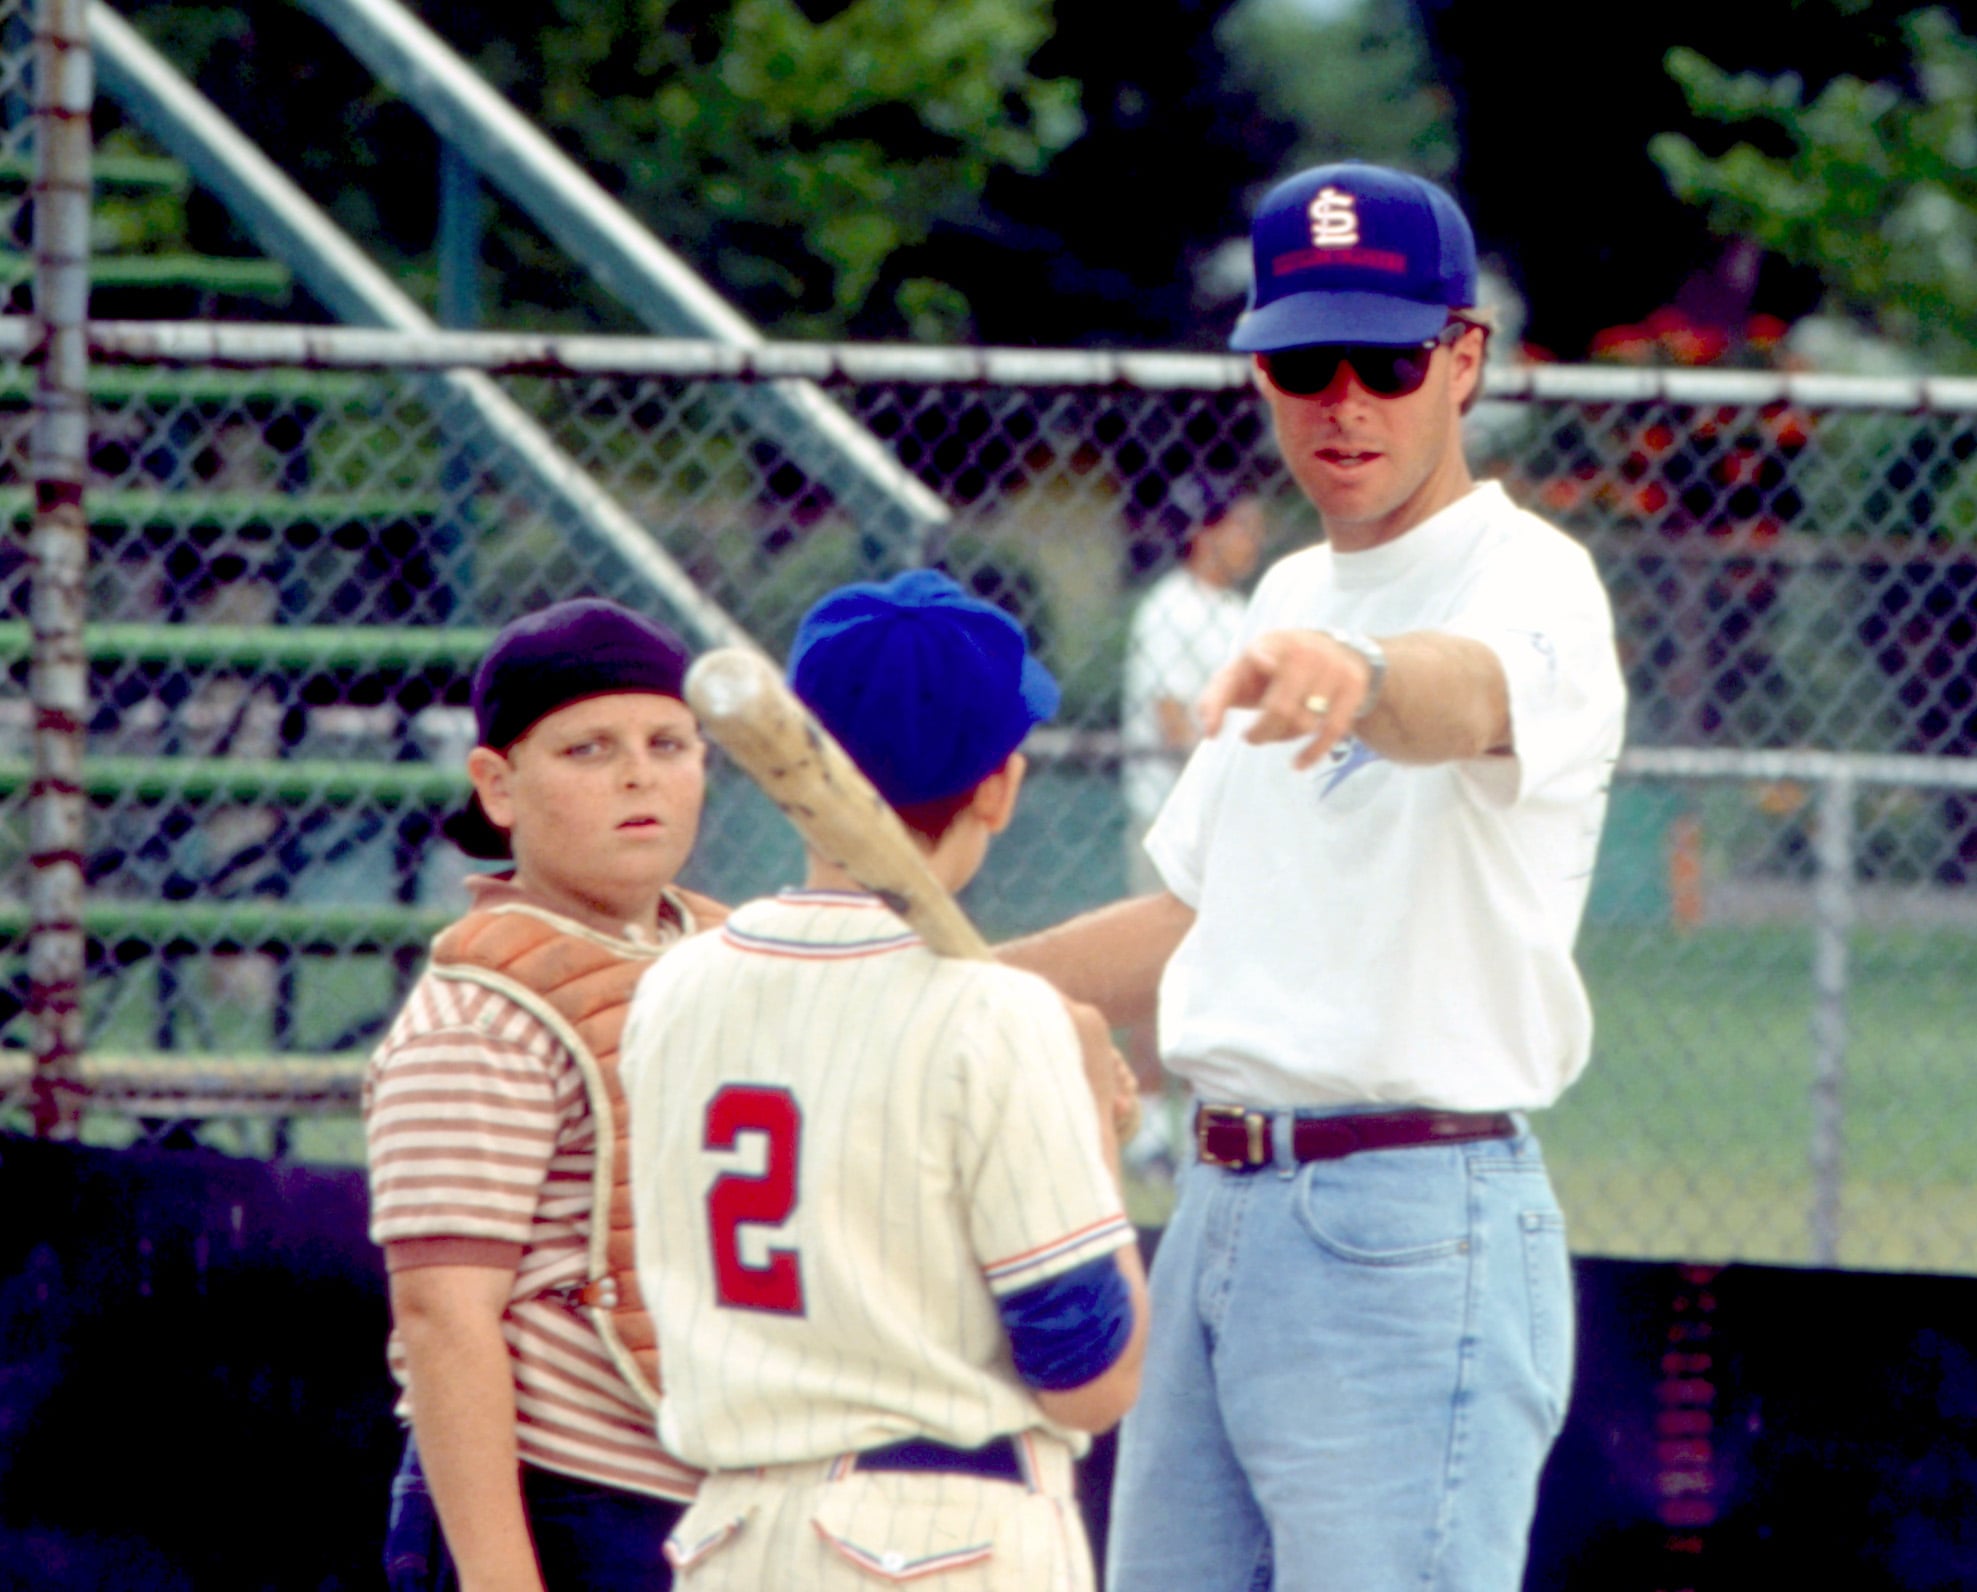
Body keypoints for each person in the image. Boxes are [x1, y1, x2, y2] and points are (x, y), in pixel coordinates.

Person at [1002, 161, 1628, 1592]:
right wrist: (948, 984)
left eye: (1389, 358)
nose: (1343, 398)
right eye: (1302, 359)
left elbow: (1460, 700)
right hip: (1221, 1204)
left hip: (1409, 1222)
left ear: (1464, 359)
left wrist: (1366, 677)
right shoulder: (1283, 595)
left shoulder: (1532, 582)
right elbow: (1196, 927)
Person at [620, 569, 1149, 1592]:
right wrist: (1085, 1122)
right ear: (1000, 782)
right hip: (950, 1535)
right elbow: (1090, 1375)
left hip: (730, 1531)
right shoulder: (997, 1015)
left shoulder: (673, 985)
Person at [363, 598, 727, 1592]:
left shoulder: (728, 956)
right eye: (586, 748)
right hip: (555, 1498)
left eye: (668, 741)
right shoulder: (483, 1015)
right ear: (498, 784)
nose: (638, 773)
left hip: (710, 1490)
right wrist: (499, 1575)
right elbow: (444, 1314)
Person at [1118, 480, 1265, 1169]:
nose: (1252, 541)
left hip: (1232, 828)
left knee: (1217, 974)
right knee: (1153, 969)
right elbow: (1173, 716)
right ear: (1203, 532)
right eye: (1240, 526)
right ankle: (1146, 1123)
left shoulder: (1241, 611)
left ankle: (1193, 1123)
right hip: (1165, 815)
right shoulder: (1167, 608)